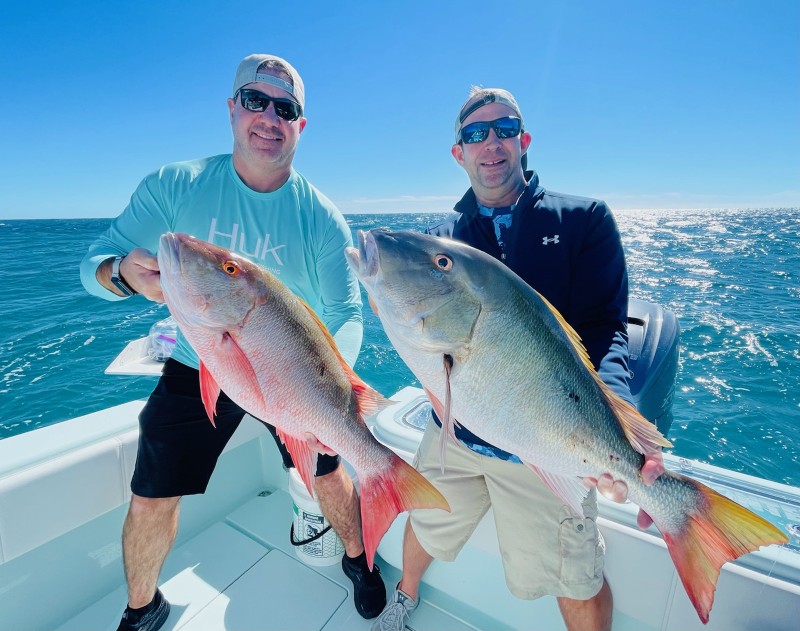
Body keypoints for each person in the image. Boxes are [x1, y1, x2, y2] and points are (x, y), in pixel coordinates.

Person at [80, 54, 386, 631]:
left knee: (327, 470)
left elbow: (346, 312)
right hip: (200, 359)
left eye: (286, 108)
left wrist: (330, 388)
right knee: (151, 492)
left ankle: (357, 560)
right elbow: (91, 266)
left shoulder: (322, 218)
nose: (269, 117)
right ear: (231, 107)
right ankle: (142, 607)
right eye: (255, 100)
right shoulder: (176, 185)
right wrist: (120, 273)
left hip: (292, 372)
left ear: (301, 125)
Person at [371, 87, 664, 631]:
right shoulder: (444, 239)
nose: (491, 143)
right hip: (455, 433)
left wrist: (618, 428)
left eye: (504, 129)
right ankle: (403, 598)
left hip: (542, 443)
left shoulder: (584, 219)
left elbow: (606, 330)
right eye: (475, 134)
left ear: (523, 141)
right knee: (425, 522)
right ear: (458, 153)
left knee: (572, 577)